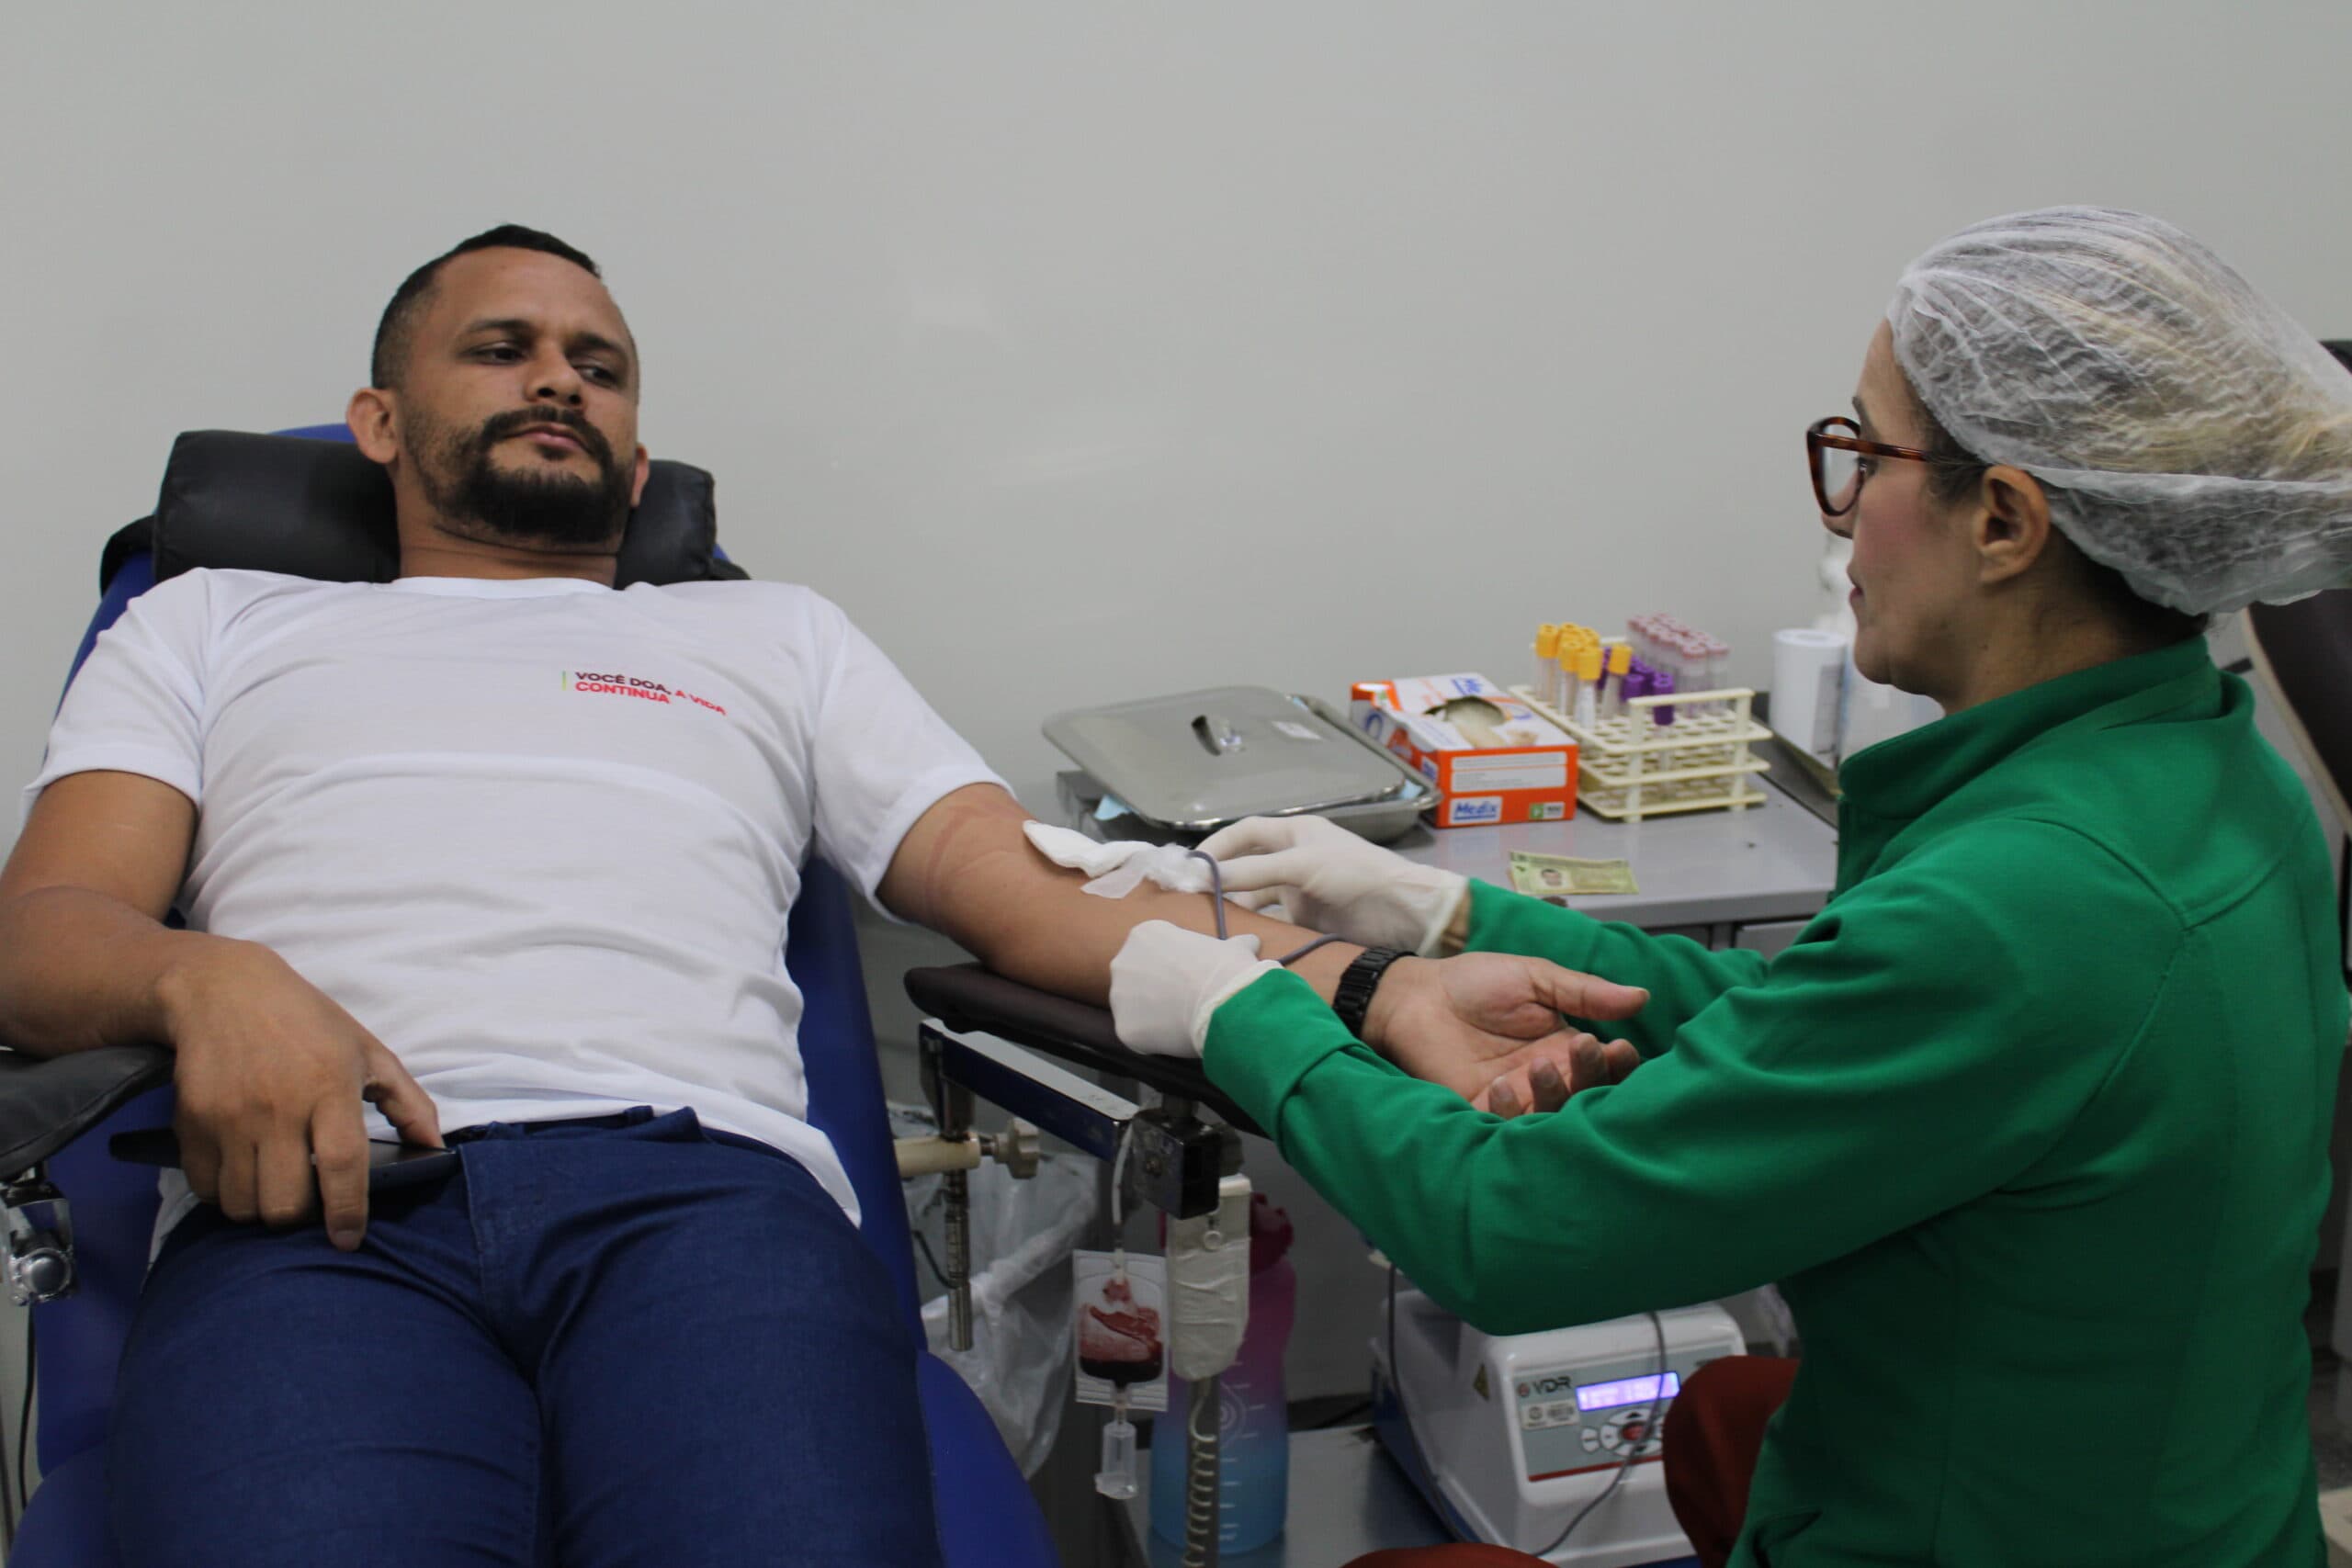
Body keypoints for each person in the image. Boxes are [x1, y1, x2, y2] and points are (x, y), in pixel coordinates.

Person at [0, 225, 1615, 1566]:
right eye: (502, 348)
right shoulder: (212, 622)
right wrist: (202, 981)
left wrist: (1377, 982)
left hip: (699, 1211)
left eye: (601, 366)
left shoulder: (770, 637)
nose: (560, 378)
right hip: (322, 1212)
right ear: (376, 420)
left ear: (638, 464)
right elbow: (45, 934)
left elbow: (1030, 890)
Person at [1104, 208, 2352, 1567]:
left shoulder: (2028, 907)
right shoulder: (2220, 777)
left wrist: (1245, 1012)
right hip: (2189, 1506)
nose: (1840, 507)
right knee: (1724, 1416)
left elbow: (1503, 1228)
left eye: (1866, 454)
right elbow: (1839, 1019)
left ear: (2003, 519)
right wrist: (1442, 915)